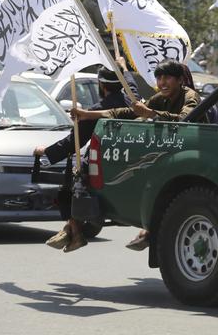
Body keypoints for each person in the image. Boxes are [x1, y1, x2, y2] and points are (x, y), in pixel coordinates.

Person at [73, 59, 202, 249]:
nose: (162, 83)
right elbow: (128, 112)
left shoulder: (190, 96)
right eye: (159, 78)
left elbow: (185, 120)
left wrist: (151, 114)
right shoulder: (161, 98)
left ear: (179, 80)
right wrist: (86, 114)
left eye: (167, 78)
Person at [35, 65, 138, 252]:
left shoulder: (96, 110)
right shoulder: (134, 101)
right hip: (131, 160)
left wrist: (45, 151)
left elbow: (72, 143)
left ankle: (74, 230)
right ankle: (69, 230)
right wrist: (124, 68)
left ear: (101, 84)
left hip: (101, 162)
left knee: (69, 187)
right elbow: (131, 85)